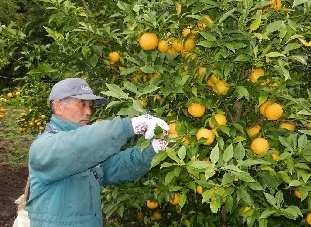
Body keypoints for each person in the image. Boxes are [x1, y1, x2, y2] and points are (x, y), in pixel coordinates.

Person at [26, 78, 170, 226]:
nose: (89, 112)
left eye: (90, 106)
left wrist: (153, 149)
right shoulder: (43, 147)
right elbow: (76, 146)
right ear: (58, 107)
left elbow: (118, 167)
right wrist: (128, 126)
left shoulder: (90, 153)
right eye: (82, 104)